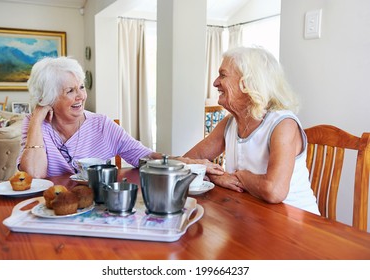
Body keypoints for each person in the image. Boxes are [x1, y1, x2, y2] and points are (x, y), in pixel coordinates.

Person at [17, 56, 222, 179]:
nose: (81, 96)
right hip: (52, 208)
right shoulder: (35, 125)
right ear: (49, 98)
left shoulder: (102, 125)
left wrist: (186, 162)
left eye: (81, 86)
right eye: (70, 91)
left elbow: (146, 158)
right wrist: (37, 116)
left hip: (96, 203)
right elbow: (33, 176)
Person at [183, 46, 320, 215]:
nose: (215, 82)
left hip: (296, 224)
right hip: (253, 215)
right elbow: (186, 162)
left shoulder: (283, 124)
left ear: (248, 83)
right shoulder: (229, 123)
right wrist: (218, 176)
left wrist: (241, 176)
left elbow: (274, 190)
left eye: (223, 75)